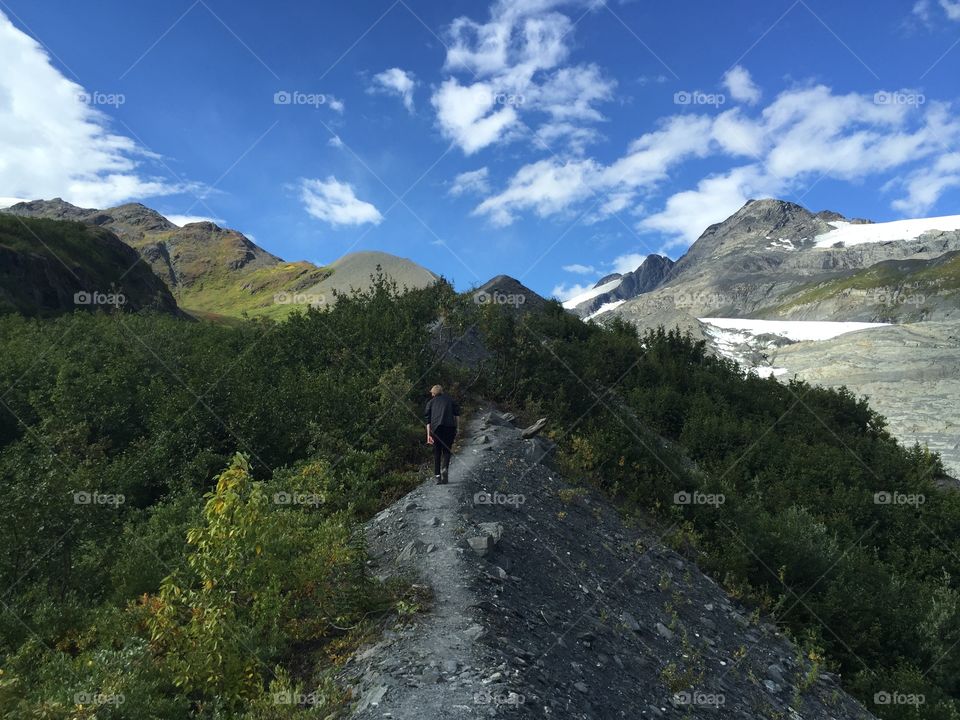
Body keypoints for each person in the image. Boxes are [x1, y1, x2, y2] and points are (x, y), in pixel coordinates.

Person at [424, 384, 459, 485]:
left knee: (437, 452)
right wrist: (458, 428)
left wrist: (428, 435)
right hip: (449, 428)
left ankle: (438, 477)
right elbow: (456, 415)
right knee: (447, 451)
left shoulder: (430, 403)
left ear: (433, 393)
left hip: (436, 430)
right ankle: (445, 469)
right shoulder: (450, 400)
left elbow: (428, 421)